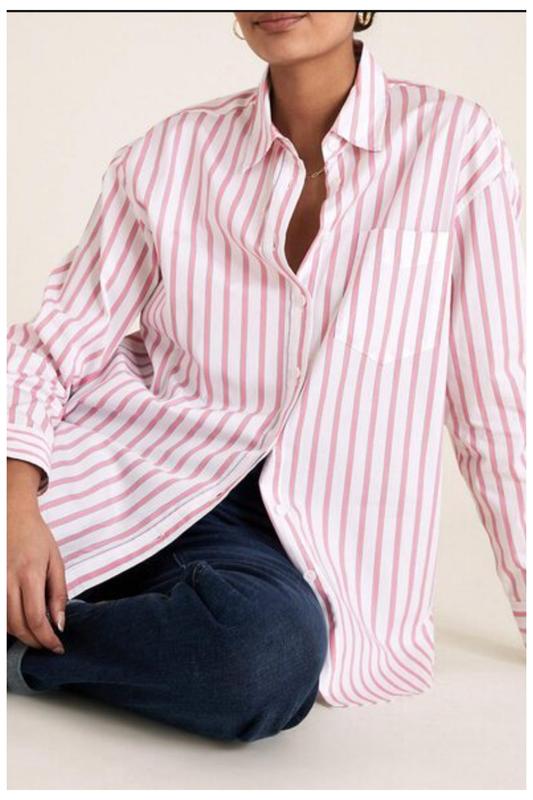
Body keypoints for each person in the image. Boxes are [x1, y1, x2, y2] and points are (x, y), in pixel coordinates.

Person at [6, 11, 526, 742]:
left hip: (281, 546)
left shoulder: (453, 148)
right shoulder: (169, 155)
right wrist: (16, 508)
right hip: (124, 478)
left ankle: (30, 646)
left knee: (265, 659)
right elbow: (50, 346)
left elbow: (494, 402)